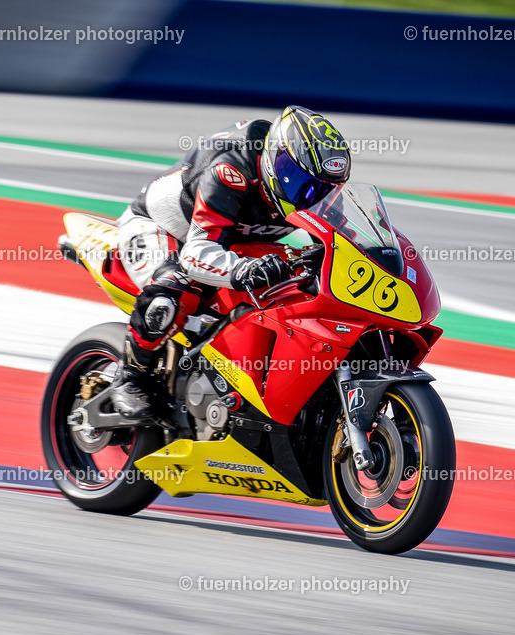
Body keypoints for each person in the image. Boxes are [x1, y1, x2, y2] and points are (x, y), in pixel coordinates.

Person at [110, 105, 352, 418]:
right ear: (274, 159)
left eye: (321, 188)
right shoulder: (232, 170)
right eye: (297, 179)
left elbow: (344, 241)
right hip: (165, 229)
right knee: (172, 294)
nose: (307, 194)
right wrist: (242, 268)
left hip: (228, 240)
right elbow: (197, 254)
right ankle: (131, 376)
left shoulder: (320, 191)